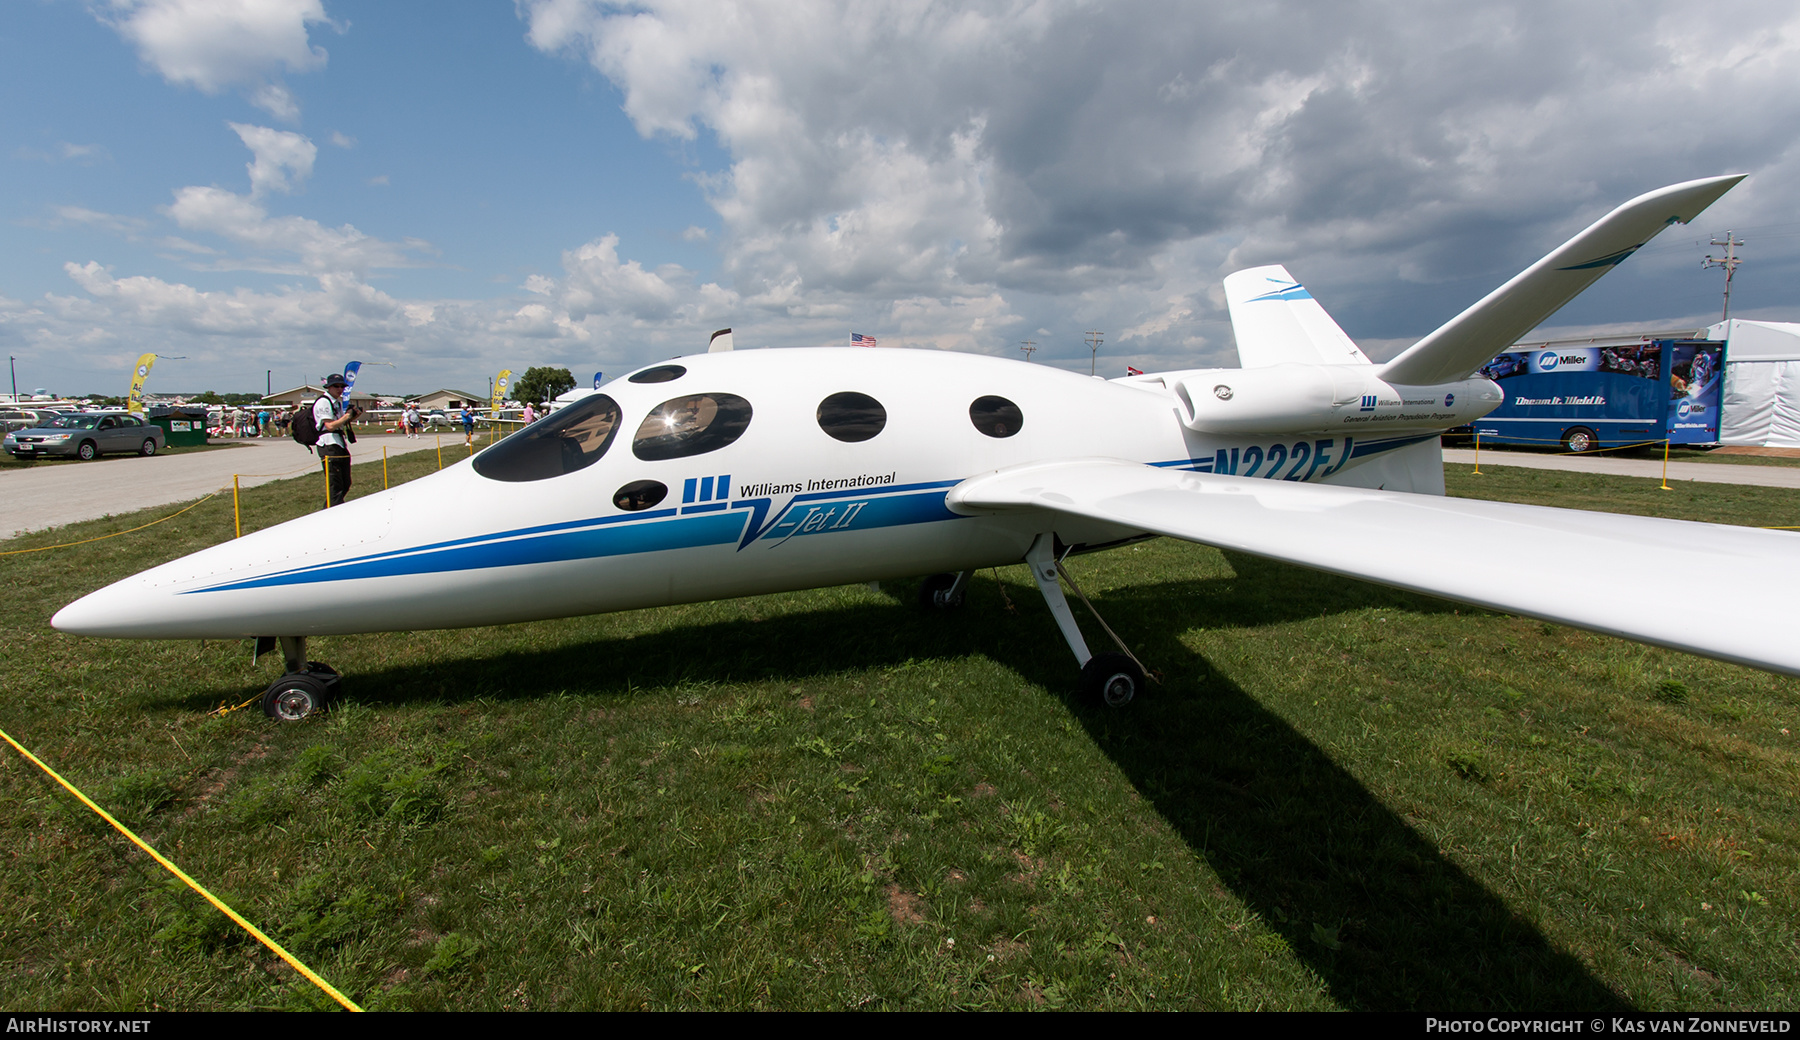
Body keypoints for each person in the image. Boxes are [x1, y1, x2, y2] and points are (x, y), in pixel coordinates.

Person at [315, 374, 360, 507]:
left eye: (342, 386)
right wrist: (346, 416)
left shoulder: (337, 402)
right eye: (336, 386)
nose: (339, 389)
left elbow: (339, 423)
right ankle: (332, 511)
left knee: (345, 482)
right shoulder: (323, 402)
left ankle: (331, 508)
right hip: (328, 444)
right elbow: (329, 426)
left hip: (339, 442)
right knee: (335, 484)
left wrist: (352, 416)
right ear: (329, 387)